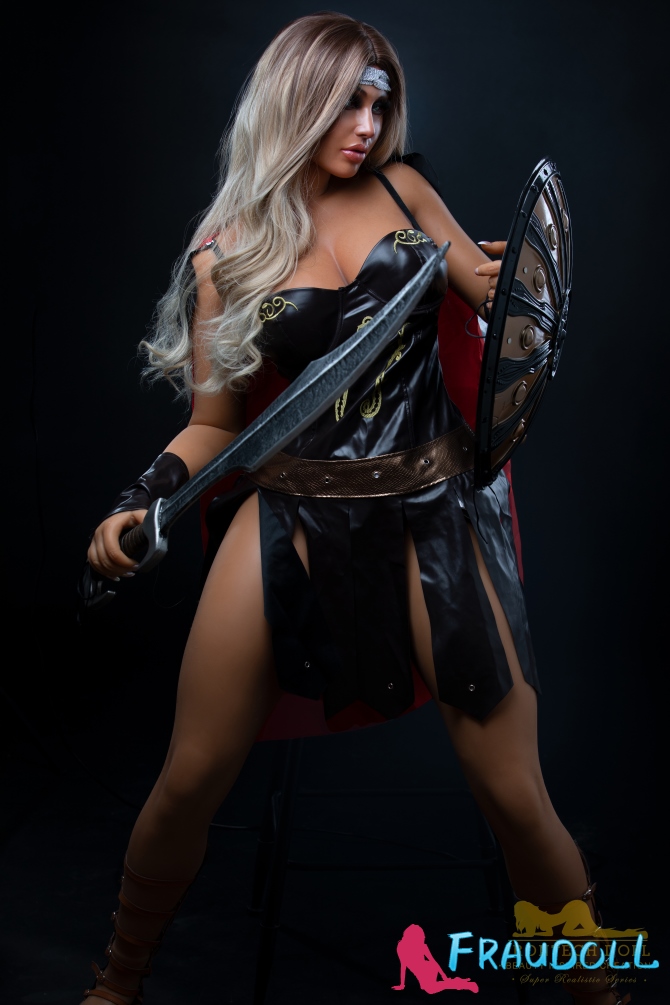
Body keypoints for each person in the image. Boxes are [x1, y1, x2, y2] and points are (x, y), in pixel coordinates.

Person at [82, 12, 628, 1005]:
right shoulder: (226, 249)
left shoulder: (404, 190)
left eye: (380, 102)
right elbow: (213, 424)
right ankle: (117, 984)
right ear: (296, 102)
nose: (369, 125)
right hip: (290, 515)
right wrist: (142, 497)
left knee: (514, 792)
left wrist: (513, 282)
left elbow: (491, 297)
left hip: (434, 512)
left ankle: (602, 993)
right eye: (348, 103)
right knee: (190, 776)